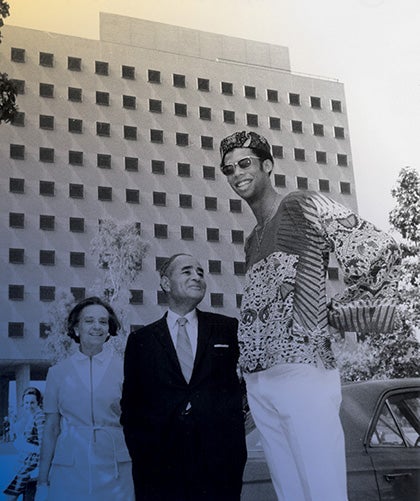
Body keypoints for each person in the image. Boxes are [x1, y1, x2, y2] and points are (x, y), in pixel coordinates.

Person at [219, 130, 401, 501]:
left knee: (323, 493)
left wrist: (340, 313)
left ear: (267, 165)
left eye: (245, 163)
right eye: (228, 168)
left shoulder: (299, 205)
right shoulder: (251, 241)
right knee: (292, 495)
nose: (236, 173)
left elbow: (376, 248)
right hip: (259, 383)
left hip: (303, 374)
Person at [121, 253, 247, 501]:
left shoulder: (228, 328)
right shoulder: (141, 341)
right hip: (159, 464)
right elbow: (131, 404)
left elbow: (250, 380)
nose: (197, 277)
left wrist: (232, 431)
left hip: (220, 460)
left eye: (200, 272)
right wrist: (141, 450)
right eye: (187, 271)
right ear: (166, 284)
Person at [34, 297, 134, 501]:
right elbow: (51, 429)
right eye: (89, 321)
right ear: (76, 328)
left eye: (103, 322)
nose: (97, 326)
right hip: (69, 468)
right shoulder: (57, 373)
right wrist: (42, 481)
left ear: (109, 330)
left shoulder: (127, 370)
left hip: (116, 469)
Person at [4, 387, 45, 501]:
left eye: (32, 402)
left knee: (11, 495)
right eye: (26, 402)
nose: (29, 405)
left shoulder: (40, 417)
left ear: (38, 403)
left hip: (32, 464)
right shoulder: (32, 416)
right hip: (26, 461)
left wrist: (24, 446)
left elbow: (44, 445)